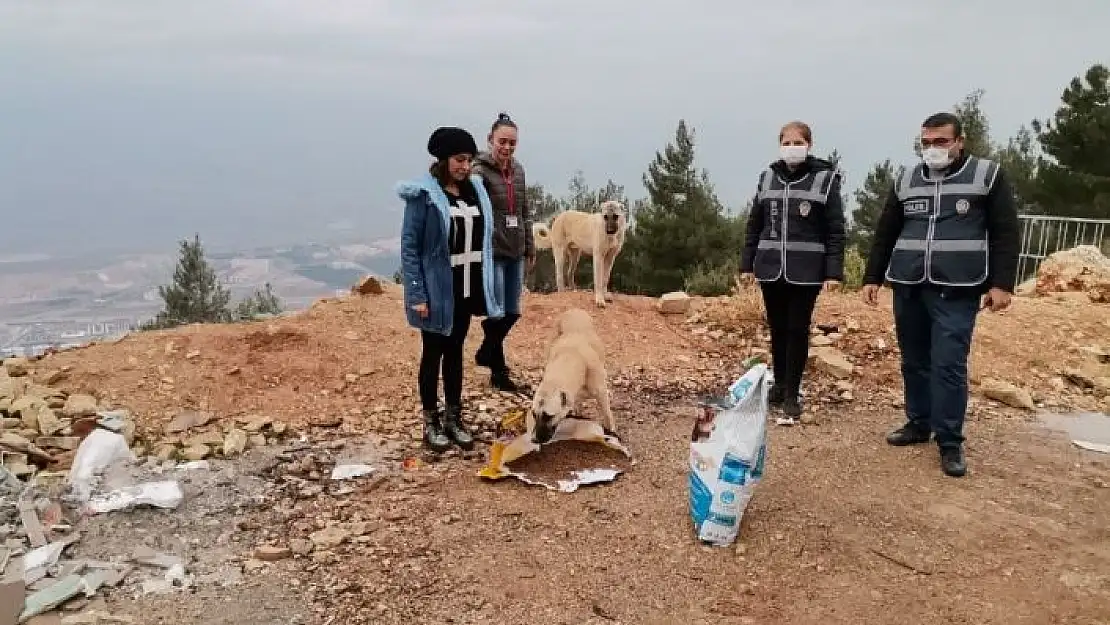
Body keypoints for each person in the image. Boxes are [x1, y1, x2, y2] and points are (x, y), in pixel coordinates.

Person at [862, 112, 1019, 478]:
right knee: (914, 360)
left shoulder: (986, 176)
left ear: (959, 141)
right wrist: (873, 277)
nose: (933, 149)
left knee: (948, 364)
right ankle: (919, 423)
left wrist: (1002, 284)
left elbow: (1005, 232)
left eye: (941, 142)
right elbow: (887, 231)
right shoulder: (906, 178)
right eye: (927, 143)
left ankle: (949, 441)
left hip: (958, 287)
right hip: (909, 283)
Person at [397, 126, 505, 453]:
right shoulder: (425, 196)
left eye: (469, 160)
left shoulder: (474, 192)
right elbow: (410, 247)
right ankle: (430, 420)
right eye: (459, 159)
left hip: (466, 287)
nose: (465, 166)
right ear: (443, 159)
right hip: (436, 290)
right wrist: (417, 295)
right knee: (433, 354)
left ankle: (454, 418)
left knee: (456, 352)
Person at [740, 121, 846, 421]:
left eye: (797, 142)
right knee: (777, 328)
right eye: (786, 142)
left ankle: (792, 393)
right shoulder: (768, 176)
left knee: (797, 329)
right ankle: (779, 384)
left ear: (809, 144)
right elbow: (754, 224)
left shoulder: (825, 179)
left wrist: (833, 271)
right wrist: (747, 264)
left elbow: (835, 229)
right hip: (771, 267)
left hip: (807, 270)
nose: (791, 148)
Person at [470, 112, 535, 392]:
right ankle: (499, 372)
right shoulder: (479, 171)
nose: (507, 147)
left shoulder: (518, 170)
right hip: (493, 250)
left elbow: (524, 212)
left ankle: (486, 350)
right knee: (496, 312)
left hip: (516, 249)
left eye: (512, 143)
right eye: (502, 141)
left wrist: (530, 245)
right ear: (490, 140)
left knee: (512, 311)